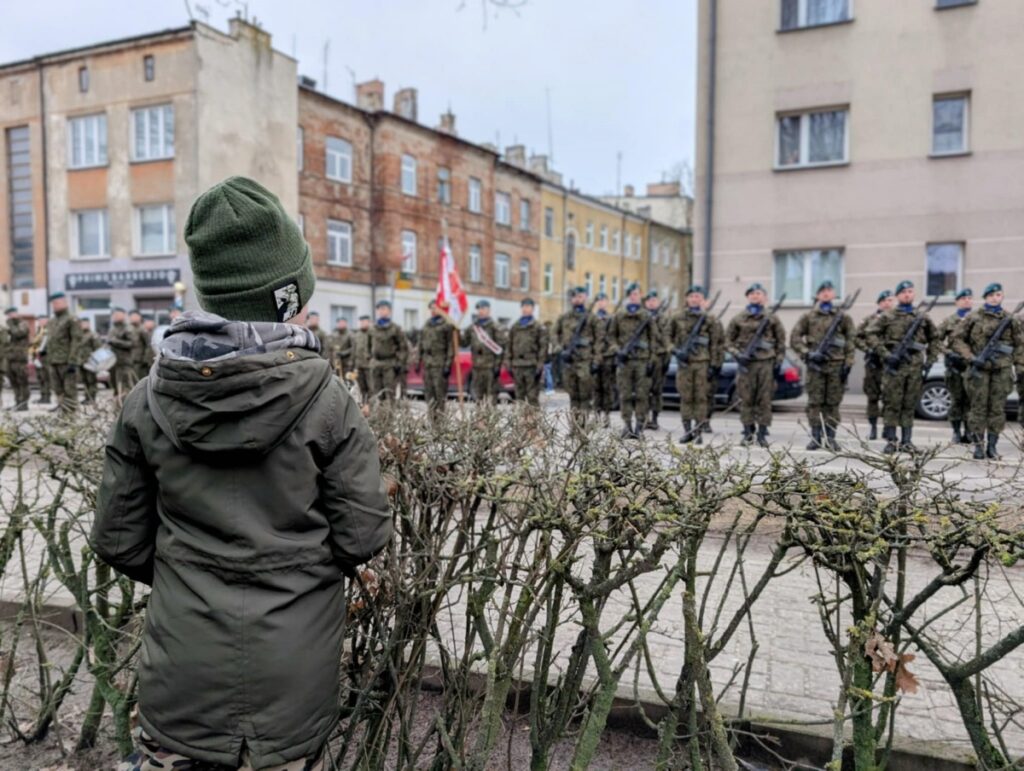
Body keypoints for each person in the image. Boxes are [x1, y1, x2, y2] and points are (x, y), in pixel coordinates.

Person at [92, 175, 391, 771]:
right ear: (290, 295)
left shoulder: (147, 399)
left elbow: (118, 540)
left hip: (182, 670)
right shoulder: (329, 400)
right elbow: (363, 536)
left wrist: (189, 577)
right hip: (293, 673)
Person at [952, 283, 1024, 460]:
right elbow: (956, 339)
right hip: (980, 370)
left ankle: (992, 446)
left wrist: (1020, 368)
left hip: (1002, 370)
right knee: (978, 409)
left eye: (998, 295)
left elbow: (1019, 345)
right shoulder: (973, 317)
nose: (994, 298)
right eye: (991, 295)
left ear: (1002, 297)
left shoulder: (1010, 319)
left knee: (997, 410)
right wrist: (971, 357)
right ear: (985, 297)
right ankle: (978, 446)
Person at [866, 280, 938, 454]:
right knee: (892, 403)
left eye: (910, 291)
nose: (907, 294)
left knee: (909, 403)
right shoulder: (887, 316)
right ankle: (891, 440)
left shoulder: (922, 317)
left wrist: (930, 360)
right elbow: (870, 334)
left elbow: (935, 338)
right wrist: (885, 354)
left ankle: (907, 441)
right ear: (897, 295)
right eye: (904, 292)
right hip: (894, 367)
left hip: (914, 367)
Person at [789, 280, 855, 451]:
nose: (826, 293)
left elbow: (850, 342)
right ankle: (816, 437)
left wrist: (848, 363)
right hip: (815, 367)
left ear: (833, 294)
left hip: (836, 366)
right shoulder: (808, 317)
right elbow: (795, 338)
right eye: (822, 290)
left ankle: (831, 437)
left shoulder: (843, 317)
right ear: (818, 295)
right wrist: (808, 354)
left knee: (832, 403)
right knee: (815, 403)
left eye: (829, 290)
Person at [726, 283, 786, 447]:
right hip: (746, 365)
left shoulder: (772, 318)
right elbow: (728, 340)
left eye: (758, 293)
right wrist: (738, 355)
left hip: (766, 363)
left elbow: (781, 342)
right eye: (751, 293)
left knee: (764, 399)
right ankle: (748, 432)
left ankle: (761, 434)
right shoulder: (738, 318)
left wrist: (779, 361)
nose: (755, 296)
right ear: (747, 297)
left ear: (764, 297)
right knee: (746, 399)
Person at [669, 285, 723, 444]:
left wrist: (714, 364)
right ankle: (687, 431)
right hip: (684, 363)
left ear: (702, 299)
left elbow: (716, 343)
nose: (694, 299)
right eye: (691, 296)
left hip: (702, 363)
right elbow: (666, 338)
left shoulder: (710, 319)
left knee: (700, 398)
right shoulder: (676, 317)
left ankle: (698, 431)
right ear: (687, 299)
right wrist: (676, 351)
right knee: (686, 398)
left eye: (698, 296)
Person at [607, 283, 656, 439]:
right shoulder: (619, 316)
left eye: (637, 294)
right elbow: (611, 337)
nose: (634, 296)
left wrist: (651, 360)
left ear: (640, 296)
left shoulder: (646, 316)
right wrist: (618, 351)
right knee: (625, 394)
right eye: (632, 294)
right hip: (625, 361)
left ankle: (639, 427)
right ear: (628, 296)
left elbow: (654, 339)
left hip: (642, 360)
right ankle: (627, 426)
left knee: (642, 395)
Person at [553, 286, 599, 426]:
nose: (577, 299)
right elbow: (554, 334)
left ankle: (583, 427)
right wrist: (560, 349)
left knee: (585, 397)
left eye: (580, 296)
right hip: (569, 362)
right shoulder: (564, 317)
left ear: (585, 297)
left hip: (585, 361)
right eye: (574, 297)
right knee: (572, 396)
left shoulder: (592, 318)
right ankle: (574, 427)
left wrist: (596, 360)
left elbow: (600, 339)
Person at [854, 290, 895, 440]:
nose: (888, 303)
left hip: (889, 364)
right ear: (880, 303)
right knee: (872, 397)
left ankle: (887, 427)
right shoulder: (869, 320)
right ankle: (873, 428)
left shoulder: (895, 319)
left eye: (891, 300)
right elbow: (857, 338)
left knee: (889, 397)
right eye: (885, 300)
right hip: (873, 364)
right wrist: (868, 349)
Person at [937, 288, 974, 444]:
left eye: (969, 298)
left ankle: (970, 432)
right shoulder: (949, 321)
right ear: (957, 302)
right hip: (955, 367)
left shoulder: (977, 319)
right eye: (963, 298)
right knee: (957, 400)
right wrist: (947, 353)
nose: (967, 300)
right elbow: (936, 340)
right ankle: (956, 432)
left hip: (973, 366)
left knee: (972, 401)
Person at [505, 298, 547, 408]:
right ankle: (521, 423)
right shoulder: (515, 326)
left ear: (533, 309)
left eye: (528, 306)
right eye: (523, 306)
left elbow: (543, 347)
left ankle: (532, 424)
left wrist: (540, 365)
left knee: (532, 397)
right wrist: (508, 363)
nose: (525, 309)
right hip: (517, 365)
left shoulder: (538, 327)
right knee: (519, 397)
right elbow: (509, 345)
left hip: (531, 366)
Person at [45, 292, 82, 414]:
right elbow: (50, 340)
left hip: (66, 361)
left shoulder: (72, 319)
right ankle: (62, 412)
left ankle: (70, 416)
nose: (55, 305)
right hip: (53, 360)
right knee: (57, 389)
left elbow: (76, 340)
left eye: (58, 302)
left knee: (69, 389)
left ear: (65, 302)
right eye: (53, 303)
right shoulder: (52, 321)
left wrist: (73, 360)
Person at [418, 300, 455, 419]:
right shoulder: (427, 324)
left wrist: (448, 365)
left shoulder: (446, 325)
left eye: (435, 308)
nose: (433, 310)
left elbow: (450, 347)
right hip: (428, 364)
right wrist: (419, 361)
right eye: (431, 308)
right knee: (429, 396)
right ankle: (432, 424)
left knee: (440, 397)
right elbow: (421, 344)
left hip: (440, 364)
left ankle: (441, 426)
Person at [465, 299, 505, 406]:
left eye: (483, 309)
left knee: (491, 398)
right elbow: (464, 343)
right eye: (479, 309)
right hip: (477, 368)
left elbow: (501, 348)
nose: (480, 311)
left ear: (489, 310)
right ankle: (480, 422)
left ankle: (490, 422)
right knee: (478, 398)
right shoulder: (473, 327)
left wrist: (497, 366)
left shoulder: (495, 327)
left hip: (490, 368)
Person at [368, 299, 407, 402]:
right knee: (377, 394)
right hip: (376, 364)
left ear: (389, 311)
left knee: (389, 393)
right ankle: (380, 417)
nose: (381, 311)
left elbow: (403, 347)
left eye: (384, 309)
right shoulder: (372, 328)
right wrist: (369, 359)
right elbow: (368, 345)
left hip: (389, 364)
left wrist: (400, 363)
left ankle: (389, 417)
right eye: (379, 309)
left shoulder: (395, 329)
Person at [643, 290, 671, 430]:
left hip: (659, 357)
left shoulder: (664, 319)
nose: (651, 303)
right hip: (644, 357)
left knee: (656, 390)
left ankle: (654, 418)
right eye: (649, 301)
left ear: (658, 303)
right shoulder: (641, 317)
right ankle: (644, 418)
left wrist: (667, 359)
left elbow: (667, 340)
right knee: (643, 390)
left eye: (654, 300)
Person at [702, 296, 726, 434]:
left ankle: (706, 422)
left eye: (703, 300)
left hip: (711, 364)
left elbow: (720, 344)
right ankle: (695, 422)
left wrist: (716, 364)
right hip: (695, 362)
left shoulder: (715, 322)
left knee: (709, 396)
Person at [592, 292, 616, 427]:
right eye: (599, 301)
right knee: (595, 388)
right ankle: (596, 415)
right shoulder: (592, 319)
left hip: (607, 358)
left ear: (607, 303)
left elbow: (615, 338)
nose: (601, 303)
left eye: (603, 300)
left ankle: (607, 416)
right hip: (595, 357)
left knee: (607, 388)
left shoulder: (612, 319)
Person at [107, 308, 138, 398]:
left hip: (124, 362)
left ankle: (128, 406)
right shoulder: (113, 329)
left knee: (126, 386)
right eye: (114, 315)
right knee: (115, 386)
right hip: (113, 362)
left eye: (118, 314)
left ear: (123, 315)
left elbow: (133, 343)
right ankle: (118, 407)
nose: (115, 316)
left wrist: (116, 341)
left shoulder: (128, 328)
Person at [5, 308, 30, 411]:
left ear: (16, 313)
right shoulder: (10, 325)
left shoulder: (23, 324)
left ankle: (24, 403)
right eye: (8, 315)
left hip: (20, 358)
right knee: (13, 381)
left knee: (22, 381)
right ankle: (17, 402)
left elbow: (18, 333)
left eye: (11, 314)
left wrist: (10, 324)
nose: (9, 316)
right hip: (10, 357)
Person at [72, 317, 100, 403]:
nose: (84, 325)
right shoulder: (79, 335)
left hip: (90, 361)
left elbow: (98, 348)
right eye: (82, 323)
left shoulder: (93, 335)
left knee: (91, 380)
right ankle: (87, 397)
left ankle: (92, 398)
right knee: (85, 381)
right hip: (81, 361)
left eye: (86, 323)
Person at [29, 318, 50, 405]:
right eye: (39, 320)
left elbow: (49, 343)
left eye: (42, 320)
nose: (40, 322)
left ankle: (46, 397)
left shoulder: (48, 331)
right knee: (40, 378)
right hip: (37, 357)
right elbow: (35, 344)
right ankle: (42, 396)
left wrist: (44, 351)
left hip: (45, 358)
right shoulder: (39, 331)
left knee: (45, 378)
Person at [354, 315, 372, 403]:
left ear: (369, 322)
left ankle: (372, 406)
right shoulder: (357, 335)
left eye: (365, 322)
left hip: (370, 366)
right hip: (359, 366)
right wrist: (353, 366)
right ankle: (365, 405)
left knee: (371, 388)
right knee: (362, 388)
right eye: (361, 322)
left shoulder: (373, 333)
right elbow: (354, 351)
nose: (363, 324)